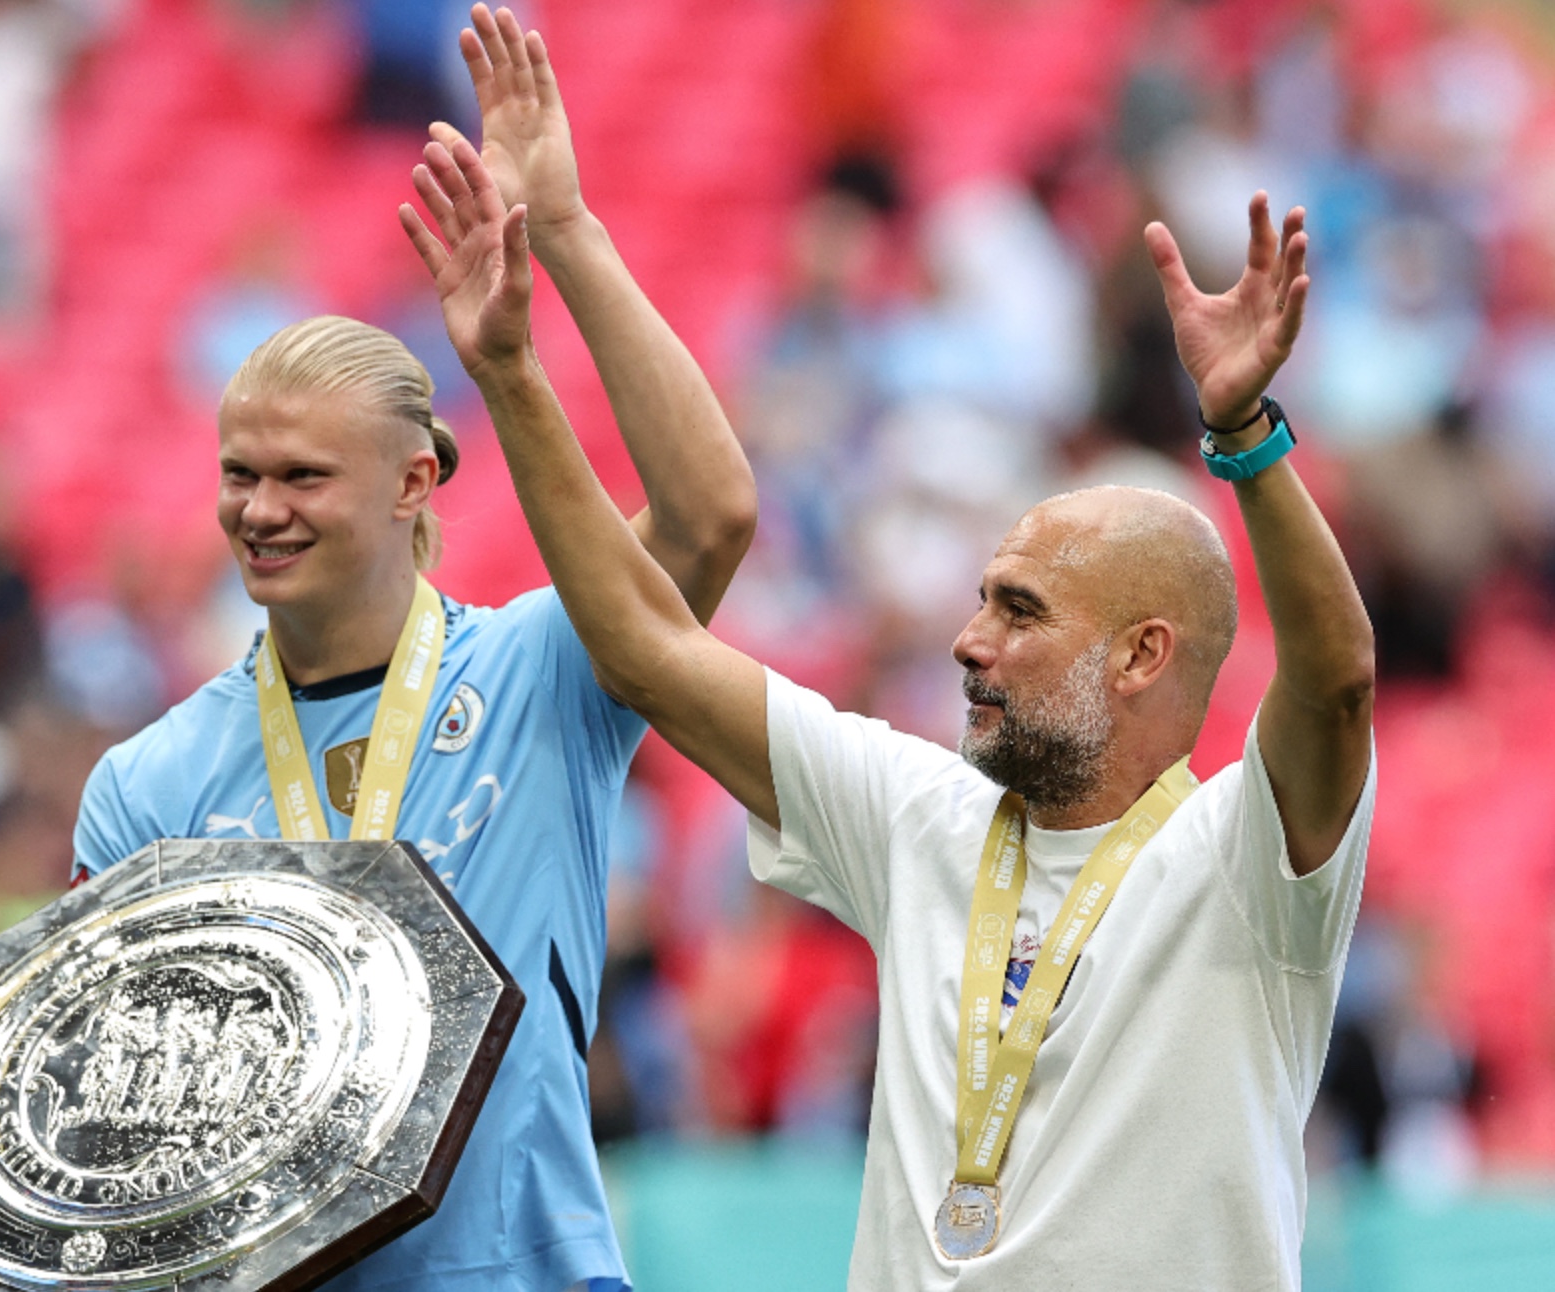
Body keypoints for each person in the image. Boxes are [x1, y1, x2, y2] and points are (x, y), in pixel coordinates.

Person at [404, 114, 1375, 1288]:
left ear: (1138, 655)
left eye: (1018, 611)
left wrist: (1241, 436)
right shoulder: (916, 814)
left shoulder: (1244, 861)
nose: (967, 640)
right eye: (979, 600)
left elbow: (1332, 685)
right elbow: (647, 646)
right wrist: (517, 347)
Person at [71, 7, 756, 1291]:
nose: (259, 509)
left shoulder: (543, 672)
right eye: (238, 473)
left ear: (414, 482)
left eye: (303, 475)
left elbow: (711, 511)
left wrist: (560, 234)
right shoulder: (147, 784)